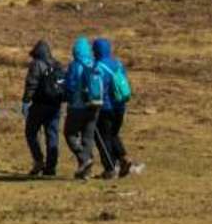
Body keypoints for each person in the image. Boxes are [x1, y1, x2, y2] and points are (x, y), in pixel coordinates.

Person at [87, 37, 133, 179]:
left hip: (105, 108)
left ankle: (109, 168)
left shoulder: (98, 68)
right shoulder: (118, 64)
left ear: (96, 51)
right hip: (120, 106)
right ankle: (124, 157)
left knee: (103, 137)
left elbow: (97, 90)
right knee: (113, 133)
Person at [20, 39, 65, 177]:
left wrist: (26, 101)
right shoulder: (58, 65)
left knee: (31, 132)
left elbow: (31, 84)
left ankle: (38, 159)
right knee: (52, 135)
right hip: (55, 105)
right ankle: (51, 167)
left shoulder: (36, 64)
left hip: (39, 105)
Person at [62, 36, 99, 180]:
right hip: (94, 105)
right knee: (88, 137)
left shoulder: (75, 65)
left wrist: (68, 97)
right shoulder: (94, 63)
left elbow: (70, 85)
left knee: (70, 134)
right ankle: (86, 171)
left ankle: (84, 159)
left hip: (77, 106)